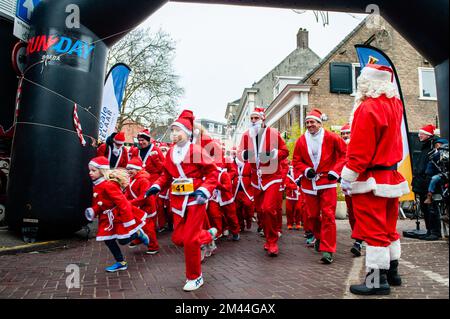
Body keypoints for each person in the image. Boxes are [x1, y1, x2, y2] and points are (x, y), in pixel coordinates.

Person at [341, 64, 410, 295]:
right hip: (391, 175)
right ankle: (393, 272)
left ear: (366, 82)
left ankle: (375, 281)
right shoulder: (396, 104)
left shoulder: (367, 107)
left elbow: (360, 149)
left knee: (373, 231)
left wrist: (348, 175)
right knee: (389, 228)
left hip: (370, 178)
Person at [145, 110, 219, 292]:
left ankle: (195, 277)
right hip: (178, 201)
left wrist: (203, 191)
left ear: (188, 133)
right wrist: (156, 185)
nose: (174, 134)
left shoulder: (196, 150)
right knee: (178, 239)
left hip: (196, 199)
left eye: (178, 131)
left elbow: (213, 172)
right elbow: (166, 175)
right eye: (172, 131)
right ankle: (209, 235)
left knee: (191, 241)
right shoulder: (171, 152)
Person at [292, 108, 347, 264]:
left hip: (327, 182)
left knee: (328, 215)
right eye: (307, 122)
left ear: (320, 123)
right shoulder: (301, 140)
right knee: (312, 215)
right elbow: (296, 160)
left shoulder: (332, 137)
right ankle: (318, 237)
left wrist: (336, 172)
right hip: (309, 184)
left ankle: (328, 250)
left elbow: (345, 154)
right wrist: (306, 170)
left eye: (312, 122)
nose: (309, 125)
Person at [237, 107, 289, 257]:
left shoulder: (273, 133)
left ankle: (273, 241)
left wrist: (272, 154)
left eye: (256, 118)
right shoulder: (246, 135)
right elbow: (240, 154)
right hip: (256, 179)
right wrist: (246, 154)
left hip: (272, 176)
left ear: (263, 119)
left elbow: (285, 152)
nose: (253, 121)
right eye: (251, 119)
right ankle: (268, 238)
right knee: (260, 211)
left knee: (268, 209)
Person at [85, 156, 149, 272]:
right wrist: (93, 211)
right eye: (90, 170)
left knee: (123, 241)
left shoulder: (109, 185)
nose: (90, 173)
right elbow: (100, 203)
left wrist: (129, 221)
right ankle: (120, 262)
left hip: (118, 215)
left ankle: (138, 233)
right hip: (106, 217)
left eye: (93, 170)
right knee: (108, 240)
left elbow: (123, 203)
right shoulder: (97, 185)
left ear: (102, 170)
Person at [411, 124, 441, 240]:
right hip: (423, 182)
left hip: (427, 182)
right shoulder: (425, 147)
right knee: (425, 208)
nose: (419, 135)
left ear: (427, 135)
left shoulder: (432, 147)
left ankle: (434, 231)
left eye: (421, 133)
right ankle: (430, 230)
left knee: (431, 208)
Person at [125, 157, 160, 254]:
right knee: (137, 224)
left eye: (131, 169)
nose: (129, 171)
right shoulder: (131, 179)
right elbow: (128, 192)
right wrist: (124, 200)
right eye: (128, 169)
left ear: (138, 169)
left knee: (148, 228)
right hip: (138, 206)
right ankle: (138, 239)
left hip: (147, 207)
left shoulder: (144, 180)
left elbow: (144, 197)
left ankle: (153, 246)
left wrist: (130, 203)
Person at [340, 123, 364, 257]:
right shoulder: (339, 147)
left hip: (359, 183)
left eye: (347, 133)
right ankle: (358, 239)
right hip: (346, 185)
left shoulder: (359, 145)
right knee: (352, 213)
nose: (345, 136)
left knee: (360, 212)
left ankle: (359, 240)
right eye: (343, 133)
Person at [285, 161, 302, 231]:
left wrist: (298, 187)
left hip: (298, 194)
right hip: (290, 195)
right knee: (289, 210)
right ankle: (289, 223)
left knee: (298, 209)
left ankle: (298, 223)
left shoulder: (300, 173)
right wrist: (295, 187)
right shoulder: (288, 174)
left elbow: (301, 183)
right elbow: (287, 184)